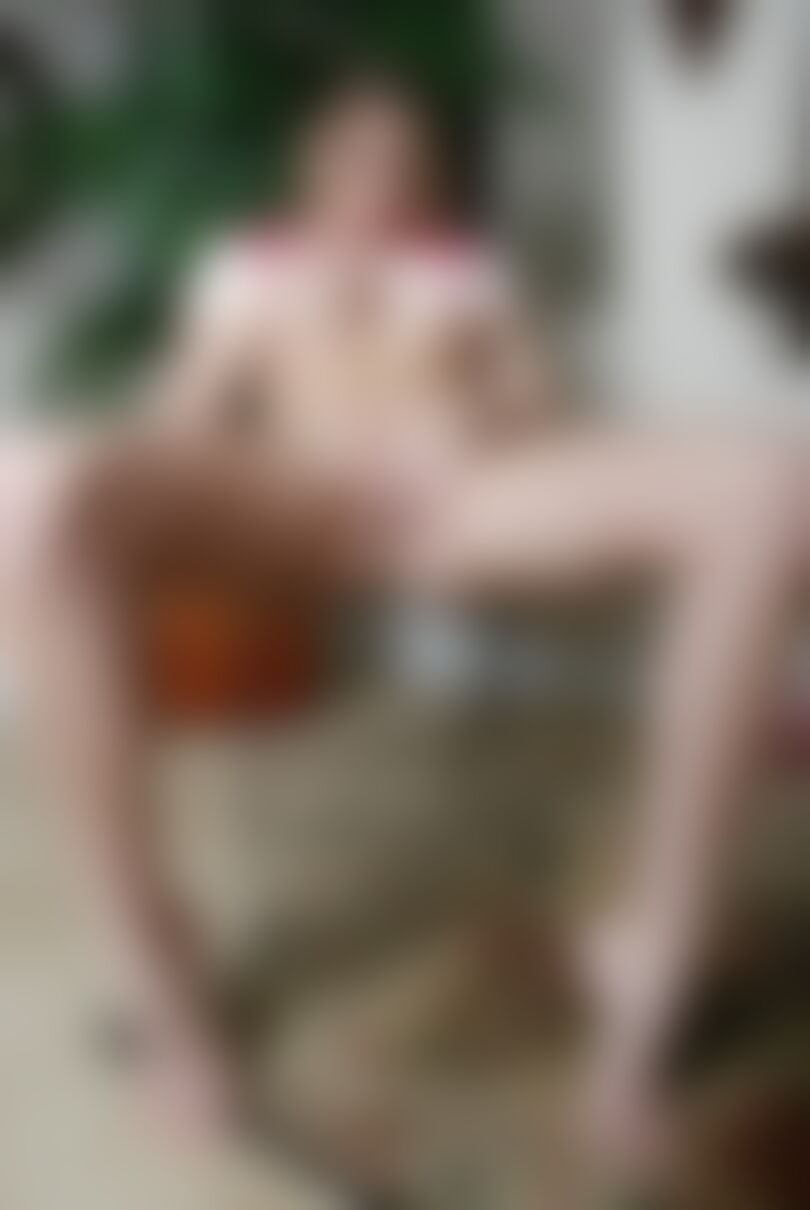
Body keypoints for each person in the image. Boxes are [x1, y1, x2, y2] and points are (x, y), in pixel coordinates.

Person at [2, 73, 805, 1181]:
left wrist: (469, 413)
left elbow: (540, 407)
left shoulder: (463, 274)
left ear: (431, 184)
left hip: (455, 498)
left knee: (774, 489)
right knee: (28, 488)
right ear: (313, 169)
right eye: (359, 156)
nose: (382, 178)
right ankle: (155, 950)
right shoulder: (253, 268)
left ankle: (658, 943)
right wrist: (288, 361)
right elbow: (183, 414)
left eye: (407, 161)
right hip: (291, 494)